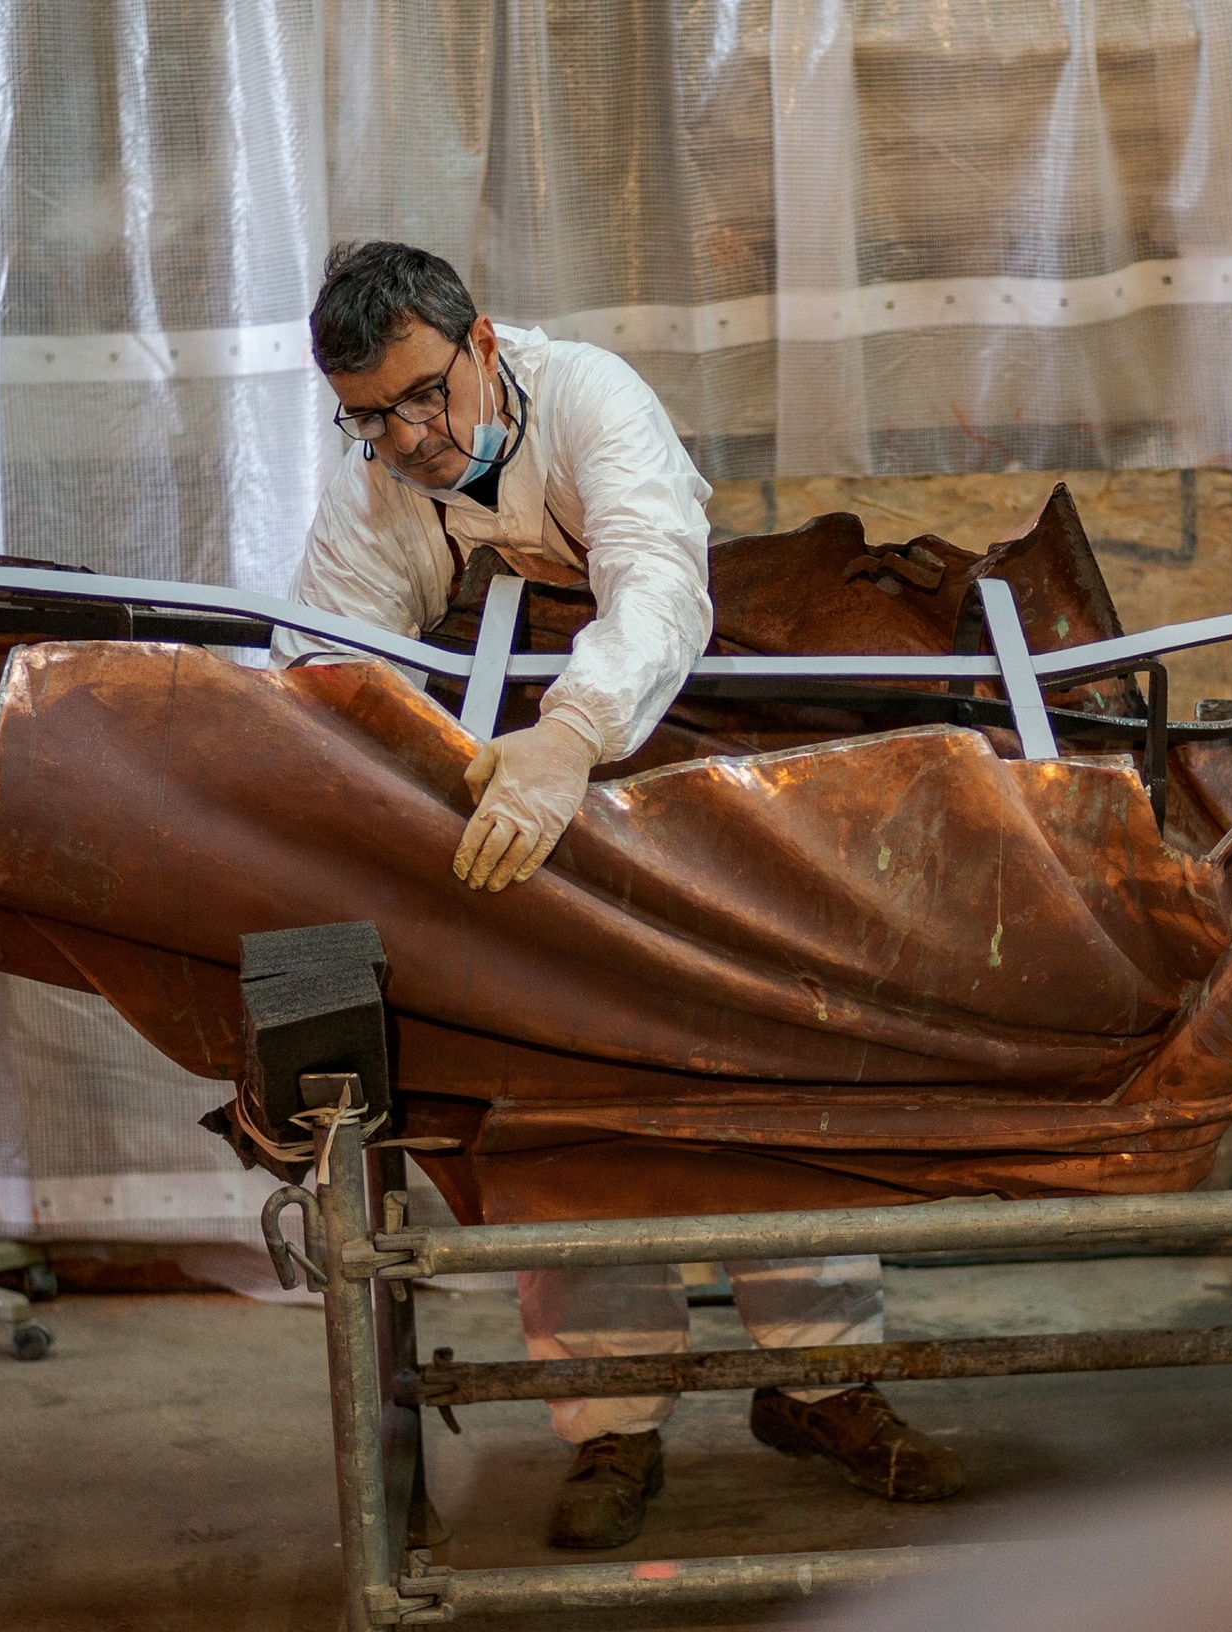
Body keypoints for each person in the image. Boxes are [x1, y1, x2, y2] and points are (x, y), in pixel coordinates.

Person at [285, 241, 964, 1548]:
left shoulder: (591, 396)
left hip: (677, 734)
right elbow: (327, 657)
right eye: (369, 416)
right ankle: (612, 1422)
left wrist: (569, 730)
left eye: (426, 395)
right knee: (563, 1091)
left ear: (481, 343)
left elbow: (656, 582)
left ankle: (823, 1381)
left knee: (767, 1064)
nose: (408, 438)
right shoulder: (378, 482)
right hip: (531, 780)